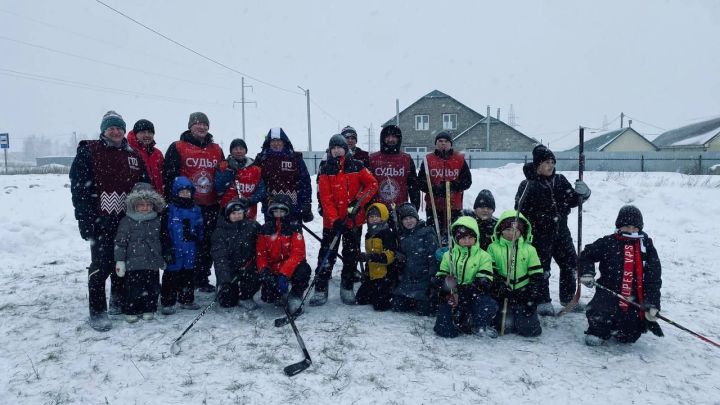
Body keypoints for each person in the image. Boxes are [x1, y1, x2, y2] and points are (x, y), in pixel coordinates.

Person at [70, 110, 148, 332]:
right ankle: (97, 311)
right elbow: (79, 188)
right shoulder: (90, 151)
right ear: (103, 130)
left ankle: (118, 299)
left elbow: (144, 185)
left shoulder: (133, 155)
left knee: (122, 262)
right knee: (101, 264)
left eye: (119, 127)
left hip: (128, 220)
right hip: (99, 219)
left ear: (124, 130)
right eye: (110, 127)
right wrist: (84, 219)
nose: (115, 131)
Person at [515, 144, 591, 316]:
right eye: (546, 162)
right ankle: (543, 300)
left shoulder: (560, 180)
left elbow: (572, 200)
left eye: (552, 162)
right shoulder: (528, 184)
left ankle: (567, 298)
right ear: (537, 165)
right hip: (539, 234)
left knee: (570, 264)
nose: (550, 166)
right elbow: (519, 210)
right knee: (542, 269)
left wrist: (583, 194)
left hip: (561, 231)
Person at [579, 205, 663, 346]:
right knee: (600, 316)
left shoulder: (647, 247)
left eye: (635, 227)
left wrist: (652, 304)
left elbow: (653, 279)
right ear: (619, 226)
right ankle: (598, 330)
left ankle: (619, 327)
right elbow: (586, 255)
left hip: (633, 298)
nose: (631, 230)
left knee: (629, 337)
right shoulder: (608, 242)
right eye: (627, 226)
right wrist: (587, 272)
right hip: (608, 292)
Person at [310, 135, 377, 306]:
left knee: (350, 254)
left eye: (340, 147)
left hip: (353, 220)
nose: (337, 150)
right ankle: (320, 287)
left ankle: (347, 286)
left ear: (345, 149)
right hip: (332, 223)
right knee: (327, 254)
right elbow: (325, 197)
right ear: (330, 150)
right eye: (333, 148)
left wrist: (358, 201)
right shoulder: (325, 168)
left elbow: (372, 185)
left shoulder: (357, 165)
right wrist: (334, 218)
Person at [163, 112, 224, 293]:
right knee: (184, 243)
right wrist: (173, 200)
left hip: (211, 204)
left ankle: (201, 277)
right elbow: (169, 175)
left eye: (205, 124)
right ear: (190, 126)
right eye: (198, 124)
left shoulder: (216, 149)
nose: (202, 127)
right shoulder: (178, 146)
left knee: (206, 243)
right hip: (186, 207)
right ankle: (182, 279)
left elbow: (222, 174)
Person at [432, 217, 498, 338]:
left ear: (476, 237)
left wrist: (464, 290)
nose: (467, 241)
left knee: (486, 303)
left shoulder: (484, 256)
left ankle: (479, 324)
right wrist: (446, 286)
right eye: (463, 238)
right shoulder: (449, 255)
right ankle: (457, 320)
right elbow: (441, 275)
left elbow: (484, 281)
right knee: (444, 330)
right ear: (457, 239)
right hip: (453, 294)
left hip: (473, 295)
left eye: (470, 238)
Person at [113, 183, 166, 323]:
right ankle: (131, 310)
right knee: (133, 289)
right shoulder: (127, 221)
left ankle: (149, 308)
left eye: (148, 204)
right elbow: (120, 243)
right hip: (133, 264)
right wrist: (120, 261)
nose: (145, 207)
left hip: (152, 263)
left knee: (153, 288)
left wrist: (163, 257)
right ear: (134, 205)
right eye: (141, 204)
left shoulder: (157, 220)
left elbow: (161, 240)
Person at [487, 210, 544, 337]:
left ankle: (522, 316)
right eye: (507, 229)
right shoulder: (493, 248)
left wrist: (530, 294)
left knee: (530, 330)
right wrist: (500, 287)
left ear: (521, 231)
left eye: (515, 230)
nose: (511, 233)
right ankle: (507, 314)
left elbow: (537, 275)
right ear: (501, 229)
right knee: (504, 328)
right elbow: (492, 271)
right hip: (504, 293)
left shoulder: (529, 250)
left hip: (523, 293)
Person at [256, 195, 312, 315]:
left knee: (304, 270)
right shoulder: (265, 229)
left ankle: (295, 295)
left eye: (282, 211)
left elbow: (297, 254)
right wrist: (264, 270)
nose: (279, 214)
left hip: (289, 268)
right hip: (273, 268)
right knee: (268, 297)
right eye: (275, 211)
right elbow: (261, 254)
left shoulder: (294, 228)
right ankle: (278, 293)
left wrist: (284, 273)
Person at [417, 131, 472, 244]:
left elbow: (467, 181)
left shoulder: (459, 159)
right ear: (436, 144)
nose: (443, 144)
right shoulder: (428, 159)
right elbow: (420, 182)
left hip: (454, 206)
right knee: (434, 236)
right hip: (433, 206)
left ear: (451, 144)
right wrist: (433, 189)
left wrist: (453, 186)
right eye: (440, 141)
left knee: (454, 235)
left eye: (446, 141)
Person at [161, 176, 203, 314]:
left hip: (190, 247)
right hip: (174, 248)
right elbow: (164, 230)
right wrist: (166, 247)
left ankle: (187, 299)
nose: (185, 194)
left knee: (188, 274)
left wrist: (199, 240)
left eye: (187, 191)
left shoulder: (195, 209)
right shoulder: (170, 209)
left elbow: (199, 227)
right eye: (182, 191)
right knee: (171, 275)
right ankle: (168, 301)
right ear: (175, 192)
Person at [255, 127, 313, 224]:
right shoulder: (262, 159)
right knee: (271, 235)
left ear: (284, 142)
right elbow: (257, 182)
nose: (276, 143)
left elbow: (305, 181)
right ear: (268, 142)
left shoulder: (295, 158)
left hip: (294, 207)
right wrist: (265, 197)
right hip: (270, 207)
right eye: (273, 141)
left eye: (278, 140)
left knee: (293, 237)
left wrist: (306, 202)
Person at [211, 198, 261, 309]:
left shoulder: (252, 226)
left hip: (248, 266)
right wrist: (224, 281)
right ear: (228, 214)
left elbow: (262, 244)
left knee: (255, 276)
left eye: (240, 213)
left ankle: (246, 297)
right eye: (234, 213)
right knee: (227, 302)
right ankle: (222, 288)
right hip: (230, 269)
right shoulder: (220, 232)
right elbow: (220, 258)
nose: (237, 216)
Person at [392, 202, 439, 316]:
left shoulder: (427, 233)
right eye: (405, 219)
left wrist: (433, 275)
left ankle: (422, 300)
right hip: (408, 278)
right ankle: (412, 299)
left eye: (411, 218)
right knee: (397, 306)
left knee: (424, 310)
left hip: (424, 278)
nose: (409, 221)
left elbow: (433, 255)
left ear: (416, 218)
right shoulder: (402, 236)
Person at [355, 203, 398, 311]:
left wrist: (370, 257)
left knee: (380, 306)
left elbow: (390, 256)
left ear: (383, 217)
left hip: (385, 275)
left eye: (377, 216)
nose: (373, 219)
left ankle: (392, 293)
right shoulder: (369, 234)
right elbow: (369, 258)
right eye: (371, 216)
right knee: (360, 299)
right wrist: (366, 272)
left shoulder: (387, 233)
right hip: (373, 275)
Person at [368, 125, 420, 211]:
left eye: (393, 136)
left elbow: (413, 186)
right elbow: (367, 186)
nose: (390, 139)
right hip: (378, 210)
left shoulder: (406, 159)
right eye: (387, 136)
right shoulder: (372, 159)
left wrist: (415, 207)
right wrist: (368, 207)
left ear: (398, 139)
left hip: (401, 209)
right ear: (383, 138)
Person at [215, 138, 265, 220]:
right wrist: (229, 172)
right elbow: (219, 187)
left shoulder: (255, 169)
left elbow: (261, 191)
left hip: (249, 212)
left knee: (248, 231)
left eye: (241, 149)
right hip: (228, 211)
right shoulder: (224, 166)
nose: (238, 151)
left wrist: (250, 200)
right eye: (235, 149)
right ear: (231, 151)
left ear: (246, 151)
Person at [127, 119, 164, 194]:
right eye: (143, 132)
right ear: (135, 134)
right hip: (137, 200)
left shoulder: (157, 153)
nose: (147, 135)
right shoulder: (129, 151)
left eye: (150, 132)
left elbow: (164, 175)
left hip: (157, 198)